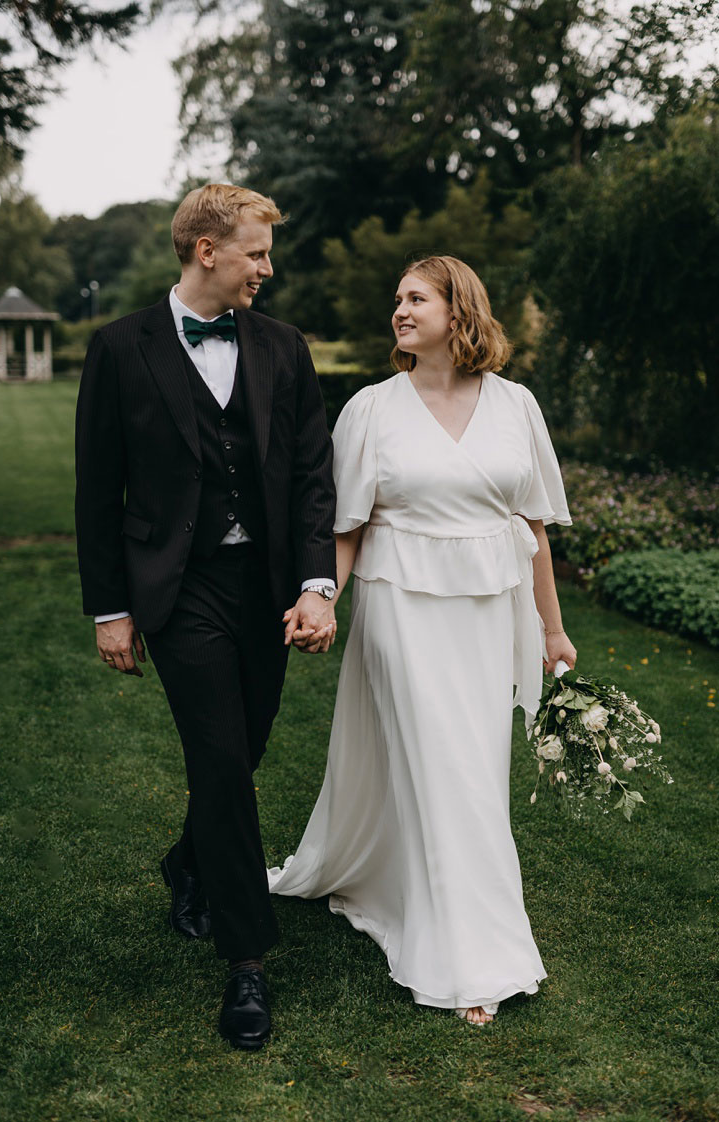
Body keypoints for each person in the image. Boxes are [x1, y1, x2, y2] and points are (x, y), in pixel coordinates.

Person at [268, 256, 578, 1025]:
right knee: (446, 770)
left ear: (458, 310)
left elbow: (534, 530)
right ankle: (471, 964)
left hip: (488, 615)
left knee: (473, 769)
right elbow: (348, 528)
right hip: (399, 608)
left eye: (416, 298)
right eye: (396, 299)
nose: (400, 311)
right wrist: (321, 600)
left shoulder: (516, 406)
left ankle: (412, 895)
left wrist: (553, 627)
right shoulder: (372, 409)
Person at [74, 183, 339, 1051]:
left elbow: (309, 479)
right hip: (176, 589)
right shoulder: (120, 349)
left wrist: (314, 584)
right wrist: (112, 609)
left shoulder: (284, 348)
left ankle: (188, 861)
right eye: (257, 252)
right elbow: (95, 489)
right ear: (206, 251)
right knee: (221, 760)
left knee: (248, 746)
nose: (268, 268)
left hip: (265, 587)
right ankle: (248, 962)